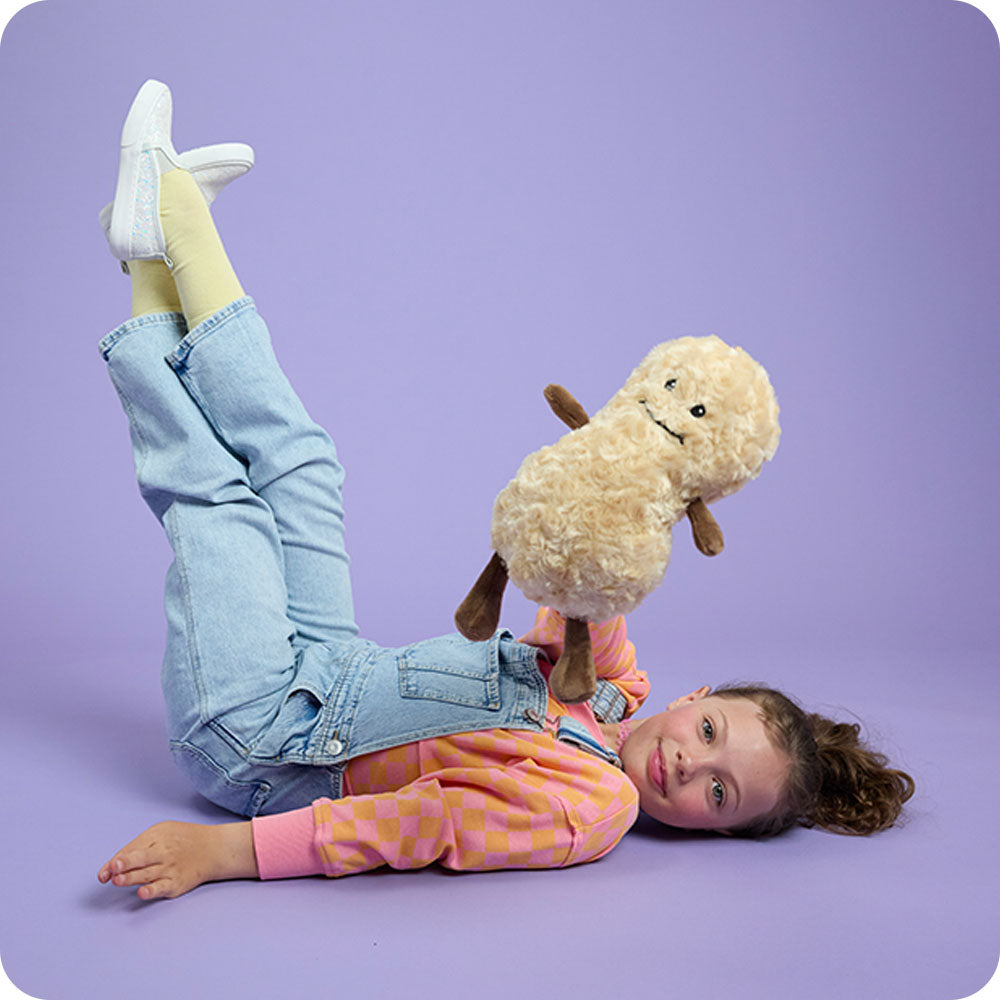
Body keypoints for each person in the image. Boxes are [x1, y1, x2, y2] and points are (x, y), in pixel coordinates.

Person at [95, 81, 914, 901]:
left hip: (263, 739)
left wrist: (222, 854)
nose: (688, 763)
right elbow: (584, 564)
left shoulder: (586, 809)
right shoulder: (617, 684)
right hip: (330, 662)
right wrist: (644, 470)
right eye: (709, 731)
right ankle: (159, 241)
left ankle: (163, 229)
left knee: (225, 510)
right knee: (307, 466)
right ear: (697, 697)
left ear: (719, 829)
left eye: (718, 791)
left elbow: (418, 827)